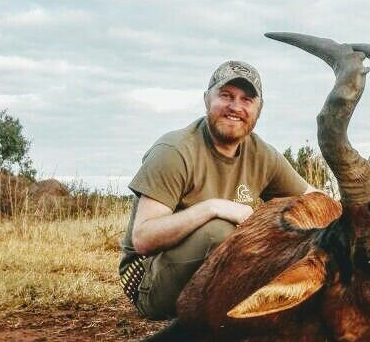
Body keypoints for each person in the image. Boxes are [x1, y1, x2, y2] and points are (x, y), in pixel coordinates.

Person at [119, 59, 316, 320]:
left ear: (259, 109)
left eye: (246, 100)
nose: (235, 107)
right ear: (206, 99)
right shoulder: (174, 151)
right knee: (219, 231)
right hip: (148, 281)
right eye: (226, 96)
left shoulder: (262, 154)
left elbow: (315, 200)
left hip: (212, 276)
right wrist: (213, 208)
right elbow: (143, 239)